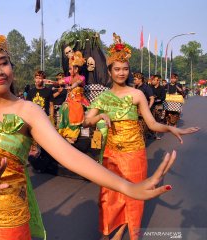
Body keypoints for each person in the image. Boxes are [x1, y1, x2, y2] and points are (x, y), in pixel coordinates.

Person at [0, 22, 181, 240]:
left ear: (12, 67)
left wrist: (126, 187)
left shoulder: (27, 111)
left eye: (3, 62)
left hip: (7, 223)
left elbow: (70, 157)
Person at [84, 33, 199, 240]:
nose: (121, 73)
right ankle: (111, 228)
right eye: (117, 69)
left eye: (125, 69)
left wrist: (172, 129)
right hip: (111, 153)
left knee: (133, 195)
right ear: (110, 72)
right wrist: (101, 115)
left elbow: (152, 123)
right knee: (109, 196)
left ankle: (121, 231)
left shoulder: (136, 94)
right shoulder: (102, 97)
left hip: (134, 153)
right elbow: (86, 121)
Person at [57, 51, 90, 143]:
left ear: (76, 69)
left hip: (79, 100)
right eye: (69, 69)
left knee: (76, 108)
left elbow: (78, 83)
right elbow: (61, 81)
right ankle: (64, 132)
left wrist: (71, 86)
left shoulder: (82, 78)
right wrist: (53, 82)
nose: (69, 71)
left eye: (71, 69)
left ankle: (73, 134)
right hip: (70, 100)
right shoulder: (69, 78)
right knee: (64, 107)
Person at [151, 74, 166, 139]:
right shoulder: (149, 87)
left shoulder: (162, 88)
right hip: (151, 105)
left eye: (154, 80)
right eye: (152, 80)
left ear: (158, 81)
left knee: (157, 120)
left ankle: (156, 134)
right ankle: (150, 132)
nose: (152, 81)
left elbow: (163, 97)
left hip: (158, 105)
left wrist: (156, 99)